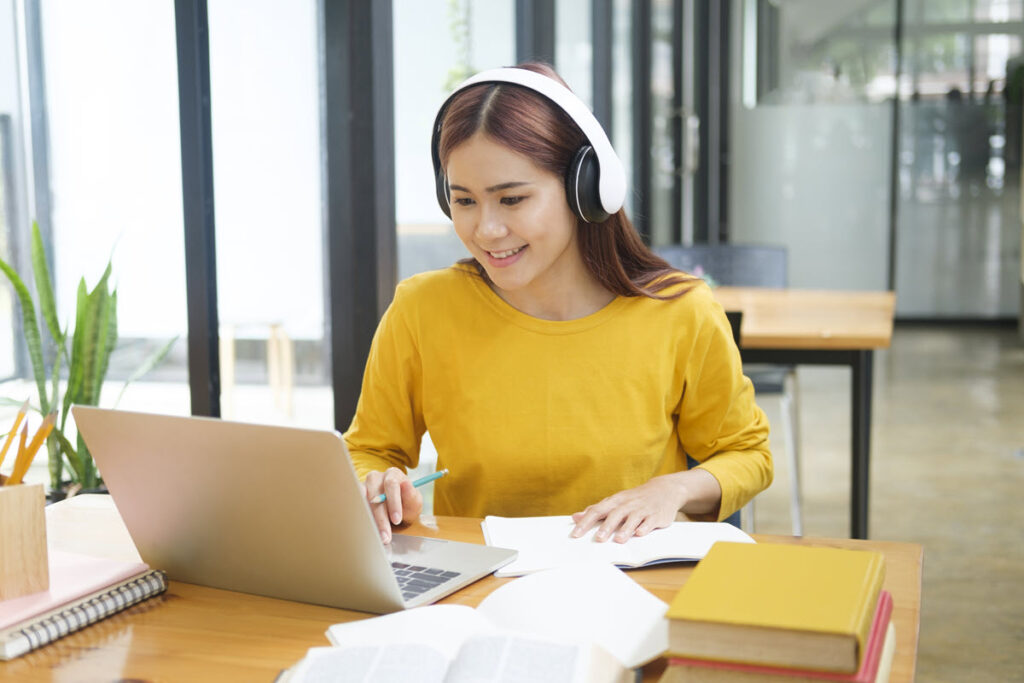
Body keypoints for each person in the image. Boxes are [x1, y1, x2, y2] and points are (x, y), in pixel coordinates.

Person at [345, 62, 773, 545]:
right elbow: (369, 451)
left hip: (632, 588)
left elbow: (747, 455)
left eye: (511, 199)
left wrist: (670, 490)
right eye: (464, 201)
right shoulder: (422, 309)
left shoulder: (680, 311)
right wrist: (377, 484)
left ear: (585, 189)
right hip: (479, 591)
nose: (486, 230)